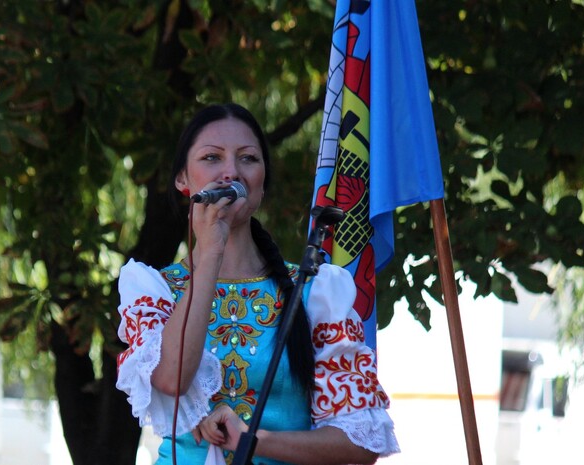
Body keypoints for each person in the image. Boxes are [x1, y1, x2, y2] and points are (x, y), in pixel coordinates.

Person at [116, 103, 399, 465]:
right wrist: (211, 253)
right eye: (211, 158)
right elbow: (172, 378)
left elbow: (361, 442)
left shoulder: (313, 291)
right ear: (183, 180)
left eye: (248, 159)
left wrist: (254, 440)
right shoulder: (155, 289)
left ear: (262, 185)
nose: (231, 172)